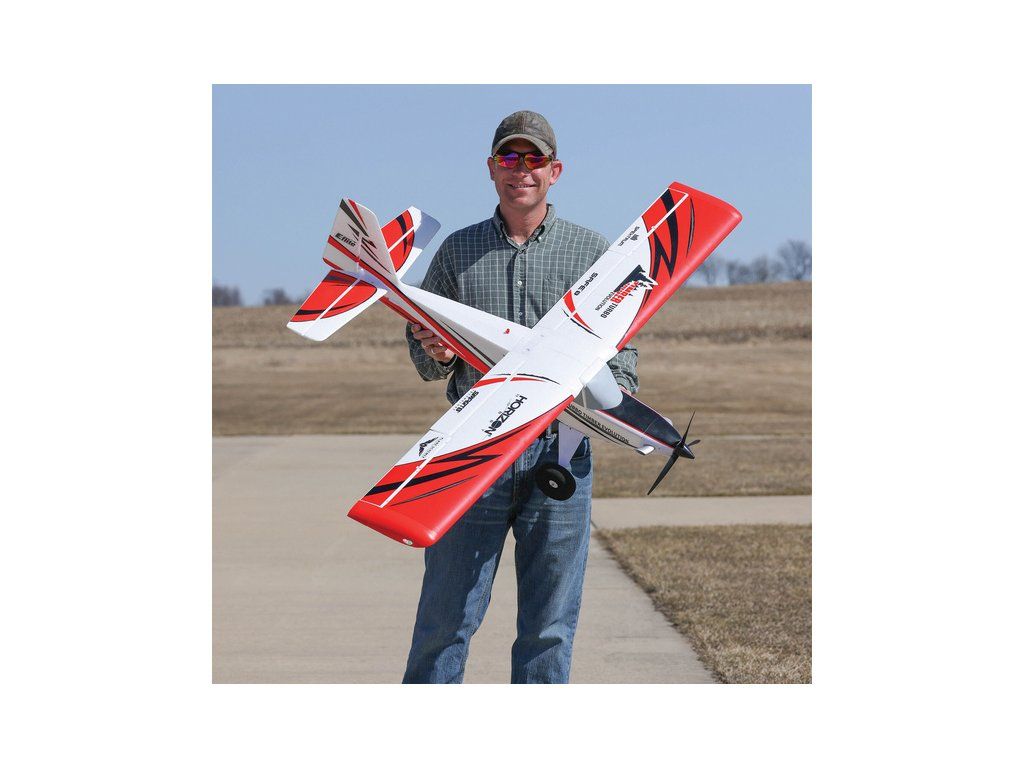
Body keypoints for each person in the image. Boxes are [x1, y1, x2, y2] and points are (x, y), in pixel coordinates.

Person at [402, 110, 638, 684]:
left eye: (535, 159)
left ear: (555, 170)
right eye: (510, 157)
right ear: (491, 168)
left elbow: (623, 349)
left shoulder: (593, 250)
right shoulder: (457, 251)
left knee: (549, 627)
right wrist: (437, 350)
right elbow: (426, 359)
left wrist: (614, 400)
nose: (521, 170)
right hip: (472, 452)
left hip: (562, 453)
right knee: (444, 621)